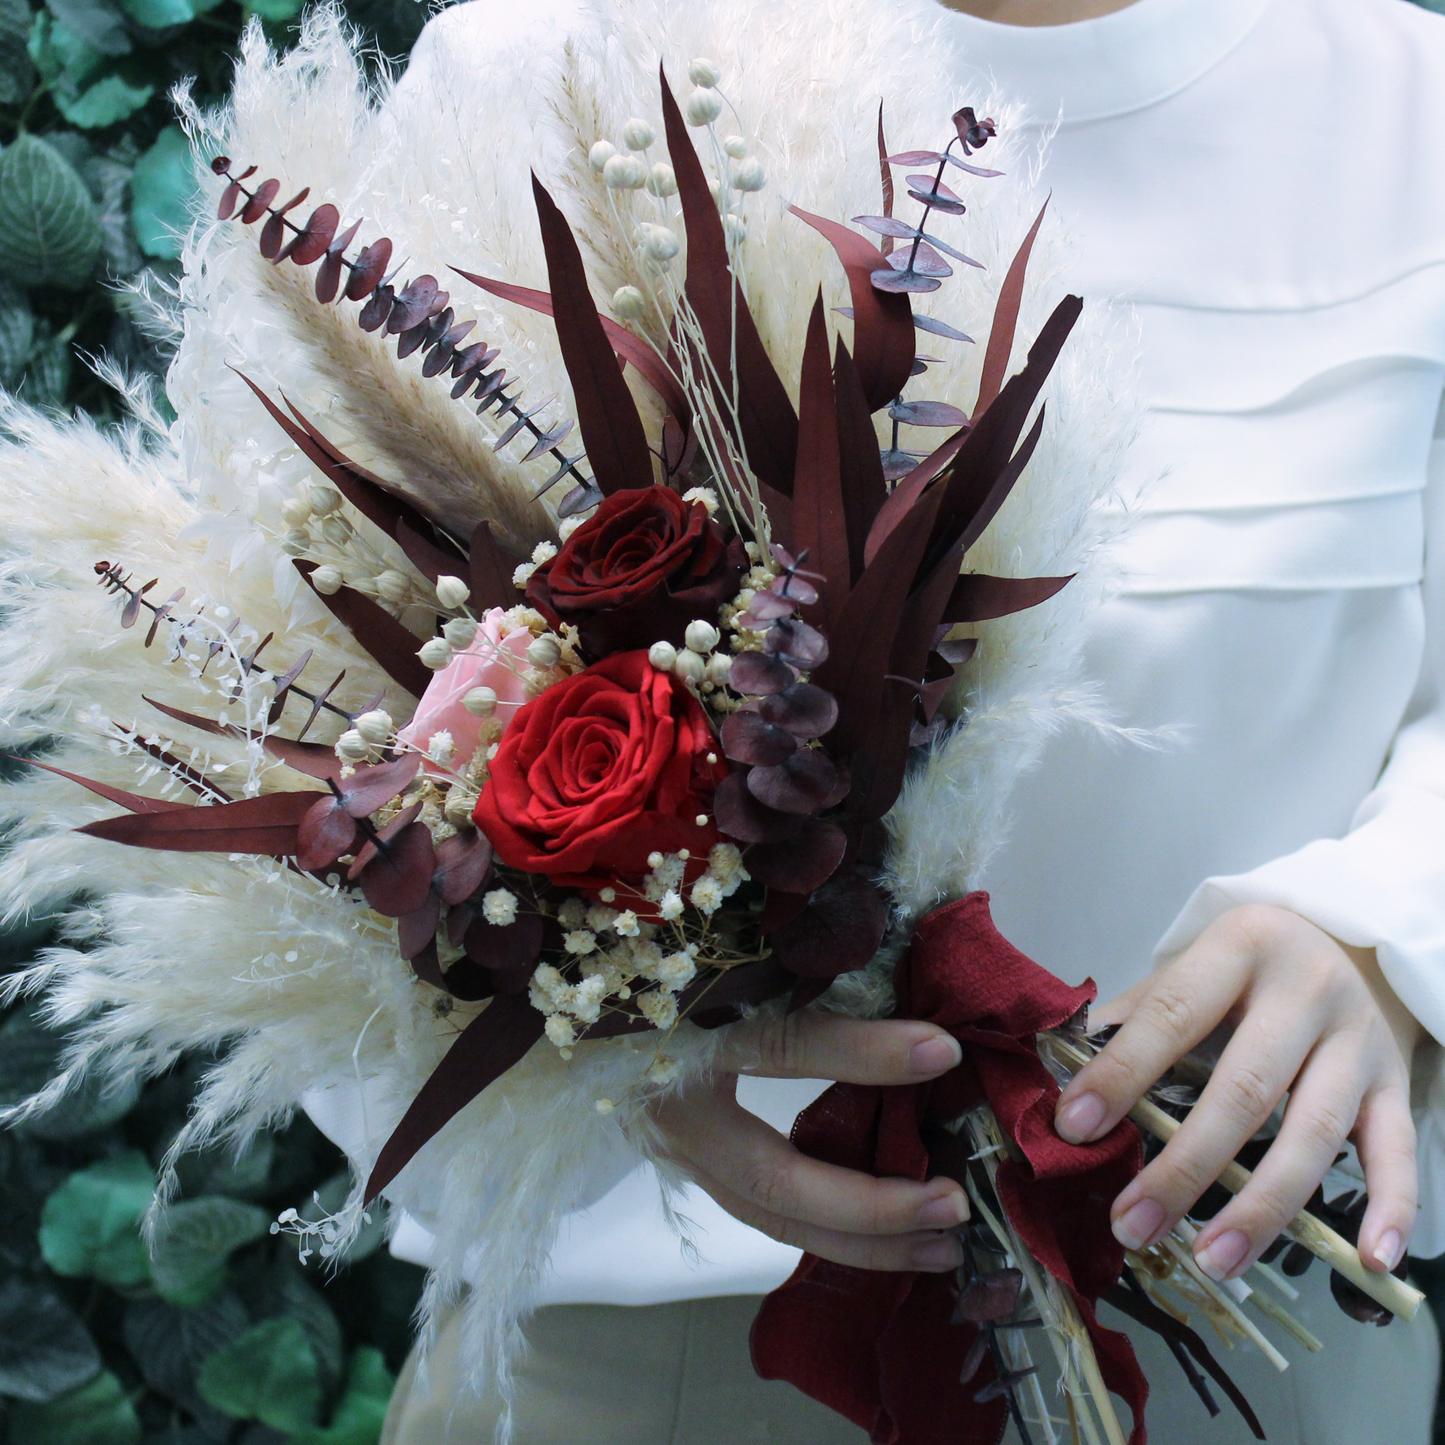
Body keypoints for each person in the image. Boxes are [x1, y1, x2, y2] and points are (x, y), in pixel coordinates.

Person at [377, 0, 1445, 1439]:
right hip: (661, 1347)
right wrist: (591, 1055)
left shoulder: (1409, 111)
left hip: (1247, 1317)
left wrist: (1392, 935)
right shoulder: (555, 65)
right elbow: (309, 743)